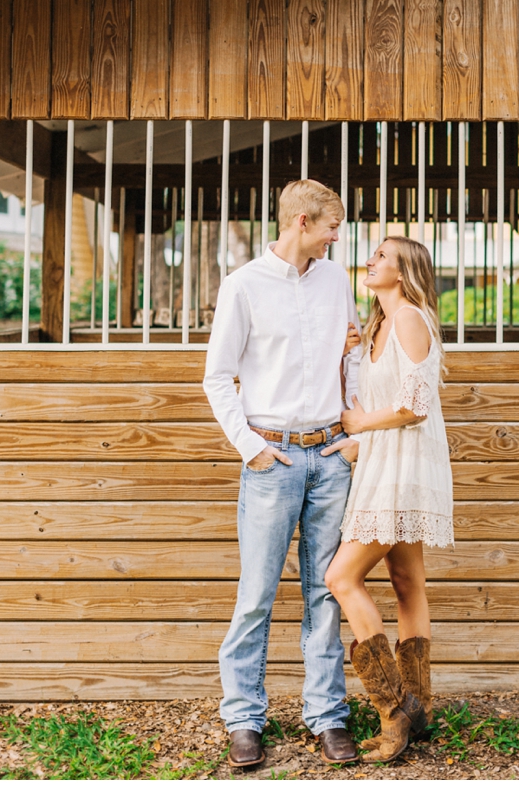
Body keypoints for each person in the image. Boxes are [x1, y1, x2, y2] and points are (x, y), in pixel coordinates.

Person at [203, 179, 362, 770]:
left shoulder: (336, 280)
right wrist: (252, 449)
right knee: (256, 595)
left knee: (326, 592)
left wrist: (351, 439)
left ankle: (328, 717)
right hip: (272, 458)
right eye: (330, 227)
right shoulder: (242, 285)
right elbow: (217, 377)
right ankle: (244, 718)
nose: (336, 237)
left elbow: (351, 359)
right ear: (301, 222)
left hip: (330, 457)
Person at [321, 235, 454, 763]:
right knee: (405, 582)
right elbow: (373, 395)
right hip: (382, 459)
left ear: (402, 273)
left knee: (341, 578)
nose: (369, 261)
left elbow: (416, 406)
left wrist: (360, 423)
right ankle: (418, 707)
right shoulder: (378, 326)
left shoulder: (409, 319)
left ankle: (392, 709)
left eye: (381, 257)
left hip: (406, 465)